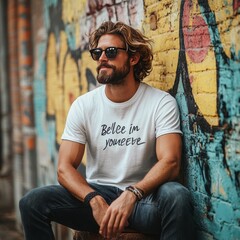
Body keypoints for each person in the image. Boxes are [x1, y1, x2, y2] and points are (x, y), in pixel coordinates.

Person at [19, 21, 195, 240]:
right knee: (32, 203)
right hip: (99, 197)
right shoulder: (84, 105)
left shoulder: (160, 102)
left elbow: (170, 162)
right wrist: (94, 199)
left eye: (111, 52)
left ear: (133, 58)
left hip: (144, 201)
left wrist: (132, 194)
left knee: (177, 195)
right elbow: (64, 168)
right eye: (97, 52)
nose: (102, 58)